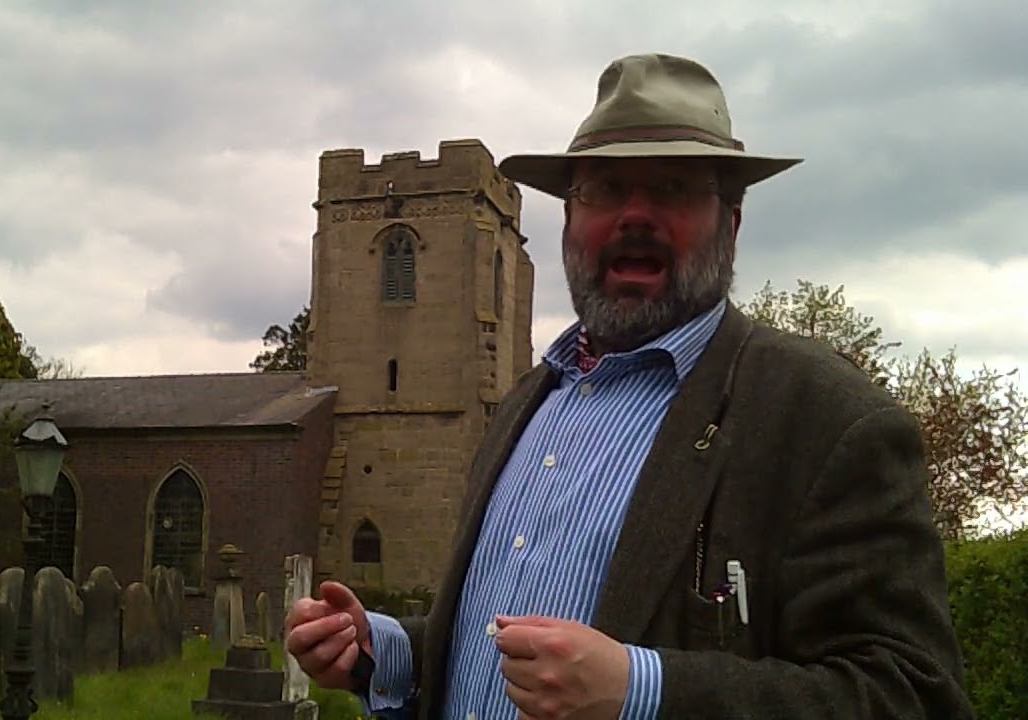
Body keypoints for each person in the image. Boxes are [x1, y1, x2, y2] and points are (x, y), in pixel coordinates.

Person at [284, 53, 972, 720]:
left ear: (730, 225)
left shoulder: (828, 420)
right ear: (568, 222)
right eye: (604, 190)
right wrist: (390, 650)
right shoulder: (523, 406)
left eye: (673, 189)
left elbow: (913, 693)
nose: (634, 216)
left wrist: (646, 693)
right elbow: (494, 646)